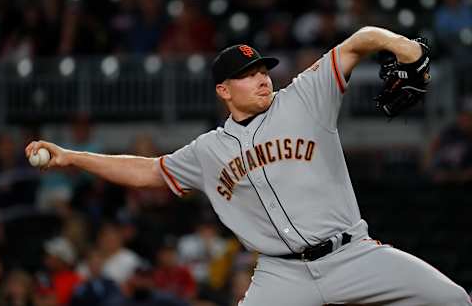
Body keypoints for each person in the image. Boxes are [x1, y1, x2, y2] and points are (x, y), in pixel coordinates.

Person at [25, 26, 471, 305]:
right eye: (247, 74)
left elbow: (359, 41)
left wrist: (403, 46)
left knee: (452, 300)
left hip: (351, 253)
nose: (261, 77)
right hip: (282, 274)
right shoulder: (208, 149)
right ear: (224, 90)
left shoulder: (305, 97)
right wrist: (71, 156)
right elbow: (147, 171)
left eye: (263, 69)